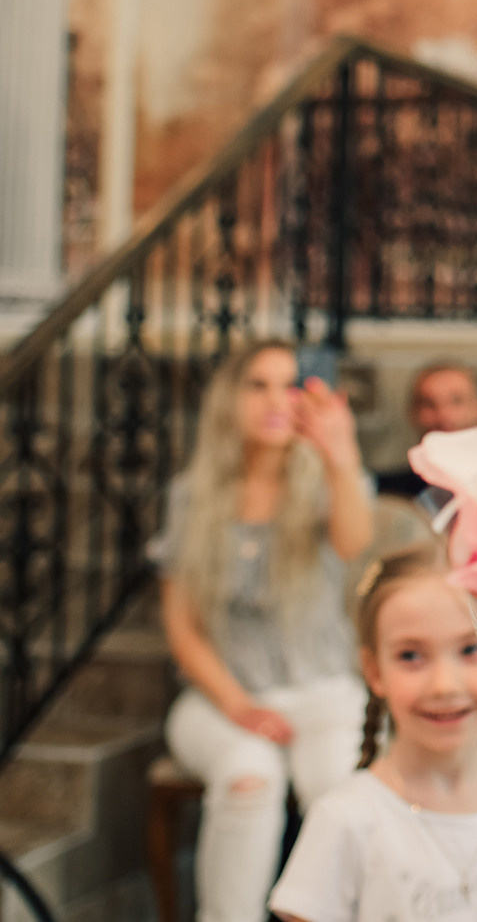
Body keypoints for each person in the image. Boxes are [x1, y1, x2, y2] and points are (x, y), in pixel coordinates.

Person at [155, 340, 376, 922]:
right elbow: (182, 625)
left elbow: (354, 542)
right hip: (221, 699)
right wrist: (239, 706)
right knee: (248, 779)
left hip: (323, 692)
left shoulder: (329, 482)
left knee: (335, 789)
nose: (277, 400)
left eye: (291, 386)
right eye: (259, 385)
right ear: (232, 398)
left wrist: (340, 455)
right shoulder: (191, 496)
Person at [268, 545, 477, 922]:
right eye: (411, 655)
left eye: (471, 648)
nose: (444, 685)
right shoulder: (343, 819)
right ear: (374, 671)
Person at [375, 363, 477, 501]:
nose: (444, 415)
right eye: (429, 404)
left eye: (457, 401)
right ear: (413, 413)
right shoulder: (387, 493)